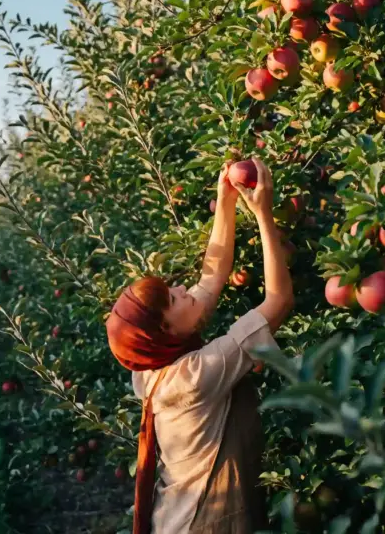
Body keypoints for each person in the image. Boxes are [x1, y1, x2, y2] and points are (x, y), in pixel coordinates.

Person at [105, 157, 294, 534]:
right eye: (172, 298)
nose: (181, 288)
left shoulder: (153, 367)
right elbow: (279, 301)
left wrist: (226, 200)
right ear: (165, 329)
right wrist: (263, 214)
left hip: (171, 518)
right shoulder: (195, 376)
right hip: (203, 523)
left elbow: (211, 277)